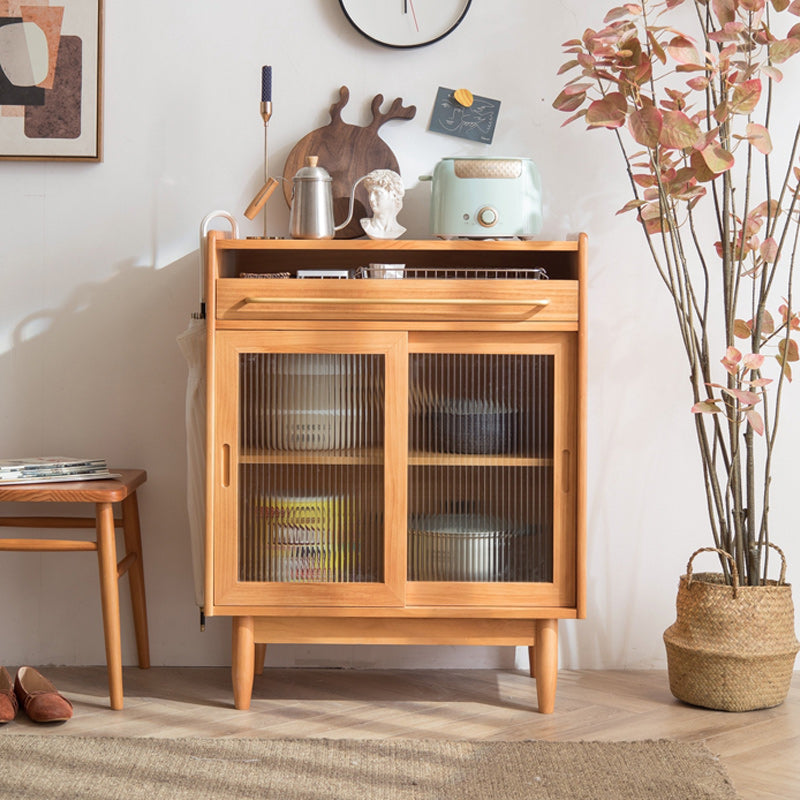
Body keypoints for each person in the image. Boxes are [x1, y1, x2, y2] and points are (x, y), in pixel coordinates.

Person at [360, 169, 406, 239]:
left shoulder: (400, 230)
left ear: (393, 195)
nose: (371, 198)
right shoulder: (366, 225)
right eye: (370, 193)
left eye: (377, 193)